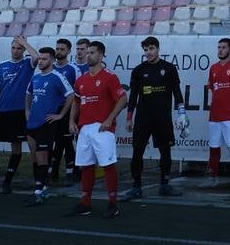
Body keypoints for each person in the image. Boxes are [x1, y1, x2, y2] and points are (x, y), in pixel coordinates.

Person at [67, 40, 128, 218]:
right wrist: (72, 121)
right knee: (86, 166)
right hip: (84, 128)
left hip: (102, 128)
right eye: (87, 53)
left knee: (108, 165)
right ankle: (85, 203)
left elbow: (123, 99)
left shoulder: (110, 77)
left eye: (92, 53)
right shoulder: (81, 79)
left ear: (101, 55)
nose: (88, 56)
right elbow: (76, 101)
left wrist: (109, 119)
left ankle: (113, 204)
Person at [124, 36, 183, 200]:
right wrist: (129, 118)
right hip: (143, 118)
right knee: (137, 151)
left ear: (158, 49)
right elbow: (133, 96)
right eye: (145, 49)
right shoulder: (138, 70)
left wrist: (182, 113)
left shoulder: (169, 68)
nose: (148, 52)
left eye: (151, 49)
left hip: (162, 118)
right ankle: (136, 187)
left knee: (165, 152)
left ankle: (165, 184)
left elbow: (177, 92)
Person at [0, 37, 34, 194]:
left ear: (23, 50)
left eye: (19, 48)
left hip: (19, 112)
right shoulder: (3, 65)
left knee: (16, 148)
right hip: (2, 113)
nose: (15, 51)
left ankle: (7, 182)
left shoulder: (28, 63)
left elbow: (37, 57)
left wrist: (25, 43)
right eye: (13, 48)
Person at [24, 46, 75, 205]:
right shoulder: (36, 77)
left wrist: (60, 115)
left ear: (52, 60)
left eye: (44, 59)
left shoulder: (57, 76)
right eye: (39, 58)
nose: (40, 61)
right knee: (35, 157)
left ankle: (38, 191)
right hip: (32, 123)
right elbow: (28, 94)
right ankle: (43, 187)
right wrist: (27, 110)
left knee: (42, 157)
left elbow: (71, 95)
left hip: (46, 123)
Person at [202, 37, 230, 191]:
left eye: (223, 47)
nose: (220, 50)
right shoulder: (213, 68)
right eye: (219, 47)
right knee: (214, 147)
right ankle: (213, 177)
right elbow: (213, 88)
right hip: (215, 115)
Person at [49, 38, 79, 185]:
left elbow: (78, 92)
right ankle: (52, 172)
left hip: (67, 110)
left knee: (67, 142)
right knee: (53, 142)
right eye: (57, 48)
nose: (59, 51)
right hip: (51, 111)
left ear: (68, 51)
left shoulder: (73, 69)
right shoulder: (51, 67)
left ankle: (69, 173)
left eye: (62, 49)